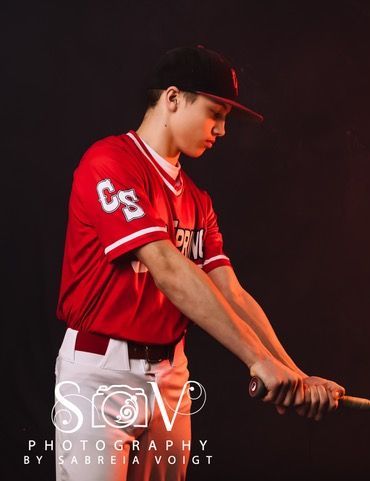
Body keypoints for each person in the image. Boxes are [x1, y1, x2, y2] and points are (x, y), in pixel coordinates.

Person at [54, 44, 345, 481]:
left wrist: (294, 373)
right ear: (173, 98)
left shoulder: (197, 201)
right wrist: (255, 359)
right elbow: (168, 268)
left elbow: (229, 292)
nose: (222, 130)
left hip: (171, 376)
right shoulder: (110, 162)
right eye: (216, 112)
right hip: (101, 374)